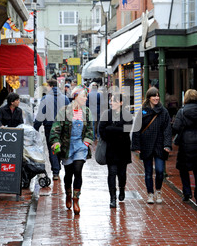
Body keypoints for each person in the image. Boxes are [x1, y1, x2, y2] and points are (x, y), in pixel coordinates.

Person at [49, 85, 94, 215]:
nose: (86, 98)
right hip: (67, 146)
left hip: (80, 145)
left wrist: (86, 142)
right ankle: (68, 194)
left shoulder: (86, 112)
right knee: (68, 173)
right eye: (83, 96)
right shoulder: (64, 111)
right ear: (76, 97)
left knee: (78, 170)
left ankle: (76, 199)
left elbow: (91, 129)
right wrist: (56, 140)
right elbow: (56, 128)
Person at [131, 87, 172, 204]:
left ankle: (158, 191)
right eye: (154, 96)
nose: (156, 98)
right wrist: (136, 146)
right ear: (149, 97)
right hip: (146, 144)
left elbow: (167, 130)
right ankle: (150, 193)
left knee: (159, 171)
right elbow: (137, 129)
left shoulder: (163, 111)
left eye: (158, 96)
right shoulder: (143, 111)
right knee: (148, 172)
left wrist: (167, 144)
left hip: (159, 145)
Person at [172, 89, 197, 204]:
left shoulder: (182, 112)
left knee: (184, 169)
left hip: (186, 145)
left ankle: (187, 192)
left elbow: (175, 128)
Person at [99, 93, 133, 208]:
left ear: (121, 103)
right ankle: (112, 198)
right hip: (111, 149)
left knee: (122, 173)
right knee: (112, 173)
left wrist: (111, 129)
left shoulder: (127, 115)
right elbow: (101, 130)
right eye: (111, 101)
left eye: (114, 101)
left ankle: (122, 189)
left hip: (123, 149)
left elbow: (127, 130)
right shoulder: (106, 114)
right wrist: (116, 131)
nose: (111, 103)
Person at [34, 79, 69, 181]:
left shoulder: (45, 98)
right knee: (59, 146)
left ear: (50, 86)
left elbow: (41, 114)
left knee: (52, 148)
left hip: (50, 127)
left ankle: (56, 171)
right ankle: (58, 167)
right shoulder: (65, 98)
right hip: (62, 127)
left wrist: (35, 127)